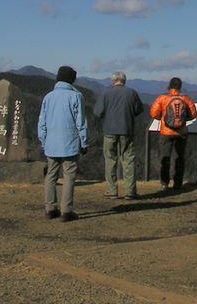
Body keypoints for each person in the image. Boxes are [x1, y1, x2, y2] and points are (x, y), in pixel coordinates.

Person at [37, 65, 88, 222]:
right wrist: (84, 142)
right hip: (70, 143)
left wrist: (43, 141)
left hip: (51, 143)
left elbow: (42, 123)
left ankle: (50, 208)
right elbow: (81, 123)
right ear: (72, 80)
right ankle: (66, 210)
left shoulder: (48, 97)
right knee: (69, 176)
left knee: (51, 175)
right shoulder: (76, 96)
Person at [94, 71, 144, 200]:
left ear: (113, 81)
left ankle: (111, 191)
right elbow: (138, 110)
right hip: (127, 129)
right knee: (128, 160)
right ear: (124, 81)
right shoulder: (131, 92)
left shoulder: (105, 92)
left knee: (110, 160)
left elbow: (98, 112)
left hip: (109, 130)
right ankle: (130, 191)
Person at [149, 77, 197, 191]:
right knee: (179, 158)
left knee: (165, 158)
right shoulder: (185, 99)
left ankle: (164, 183)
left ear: (169, 86)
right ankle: (178, 184)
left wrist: (162, 118)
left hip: (165, 132)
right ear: (180, 87)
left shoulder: (162, 98)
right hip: (181, 132)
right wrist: (183, 120)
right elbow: (194, 114)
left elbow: (153, 113)